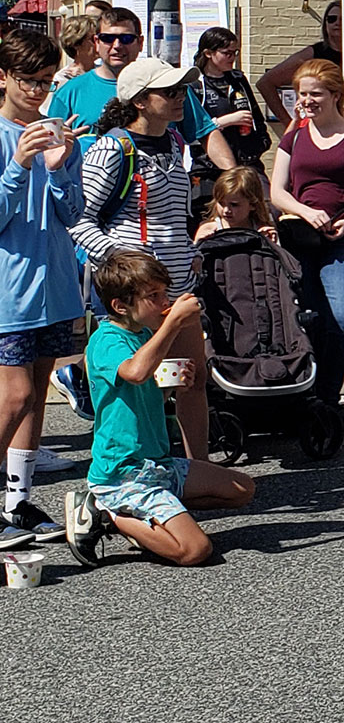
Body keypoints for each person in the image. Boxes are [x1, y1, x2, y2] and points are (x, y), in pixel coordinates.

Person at [65, 249, 253, 567]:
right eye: (153, 295)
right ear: (120, 305)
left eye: (165, 292)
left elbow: (144, 395)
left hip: (157, 464)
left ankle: (152, 515)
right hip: (123, 474)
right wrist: (173, 325)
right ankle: (105, 513)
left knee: (243, 489)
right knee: (195, 551)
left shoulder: (143, 335)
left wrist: (170, 387)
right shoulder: (106, 340)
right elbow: (135, 373)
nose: (164, 302)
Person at [70, 56, 211, 461]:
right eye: (169, 92)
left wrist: (191, 251)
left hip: (178, 285)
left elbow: (174, 216)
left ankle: (197, 471)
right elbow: (79, 219)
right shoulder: (112, 149)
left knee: (191, 380)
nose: (180, 98)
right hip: (134, 296)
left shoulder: (176, 143)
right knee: (136, 384)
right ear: (139, 101)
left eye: (182, 90)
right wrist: (122, 262)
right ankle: (126, 470)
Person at [0, 27, 85, 546]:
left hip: (54, 286)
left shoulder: (51, 133)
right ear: (3, 77)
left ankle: (18, 501)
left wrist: (60, 168)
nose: (38, 92)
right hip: (9, 291)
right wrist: (19, 164)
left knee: (35, 397)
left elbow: (72, 214)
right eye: (29, 81)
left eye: (47, 82)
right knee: (15, 396)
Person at [271, 60, 344, 425]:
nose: (307, 102)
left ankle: (330, 397)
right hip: (299, 237)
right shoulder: (294, 136)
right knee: (308, 319)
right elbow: (277, 191)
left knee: (341, 320)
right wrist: (305, 210)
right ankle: (307, 397)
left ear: (334, 95)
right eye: (302, 95)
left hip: (339, 239)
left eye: (315, 94)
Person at [54, 6, 236, 182]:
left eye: (126, 38)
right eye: (108, 38)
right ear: (96, 42)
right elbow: (48, 152)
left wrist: (234, 180)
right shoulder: (69, 92)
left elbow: (206, 133)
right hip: (97, 199)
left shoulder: (170, 85)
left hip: (160, 197)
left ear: (140, 43)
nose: (117, 46)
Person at [190, 26, 271, 222]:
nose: (232, 57)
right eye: (226, 53)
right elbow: (191, 131)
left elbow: (255, 116)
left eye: (235, 52)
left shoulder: (238, 80)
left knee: (265, 212)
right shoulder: (195, 84)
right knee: (210, 217)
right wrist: (224, 121)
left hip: (246, 162)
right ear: (208, 53)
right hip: (209, 168)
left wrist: (260, 141)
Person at [261, 1, 344, 128]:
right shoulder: (312, 54)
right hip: (322, 133)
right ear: (325, 25)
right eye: (332, 19)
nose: (338, 23)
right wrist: (291, 124)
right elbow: (265, 83)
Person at [195, 165, 277, 243]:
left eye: (234, 205)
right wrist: (199, 242)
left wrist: (270, 243)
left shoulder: (261, 229)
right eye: (221, 203)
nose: (226, 210)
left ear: (253, 204)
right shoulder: (210, 229)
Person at [51, 12, 99, 92]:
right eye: (93, 39)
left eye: (100, 38)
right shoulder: (62, 79)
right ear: (76, 44)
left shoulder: (106, 72)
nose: (99, 43)